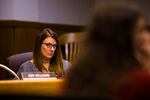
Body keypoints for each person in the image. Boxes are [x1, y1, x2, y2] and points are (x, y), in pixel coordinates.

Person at [64, 1, 150, 99]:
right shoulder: (140, 82)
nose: (147, 36)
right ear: (122, 38)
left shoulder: (75, 77)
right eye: (140, 30)